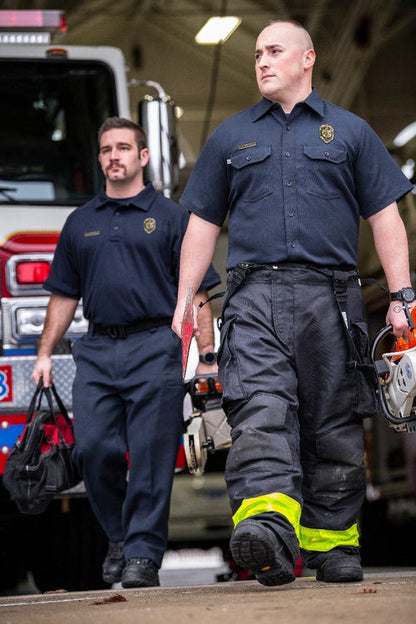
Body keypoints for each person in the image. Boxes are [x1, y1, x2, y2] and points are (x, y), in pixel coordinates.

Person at [172, 19, 414, 586]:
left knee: (333, 421)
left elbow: (386, 218)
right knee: (260, 410)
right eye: (256, 53)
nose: (260, 61)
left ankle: (332, 544)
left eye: (273, 51)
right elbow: (201, 225)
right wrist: (186, 299)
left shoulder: (350, 132)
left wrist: (402, 297)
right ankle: (267, 531)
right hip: (253, 296)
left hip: (333, 297)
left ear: (308, 58)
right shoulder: (231, 137)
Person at [32, 117, 220, 588]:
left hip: (156, 346)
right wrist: (43, 355)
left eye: (122, 148)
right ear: (100, 159)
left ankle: (141, 555)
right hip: (96, 351)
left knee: (152, 457)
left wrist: (208, 354)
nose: (113, 156)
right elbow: (62, 296)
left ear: (143, 156)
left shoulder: (174, 218)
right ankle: (119, 536)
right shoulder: (80, 223)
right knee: (95, 450)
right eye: (105, 150)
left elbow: (198, 292)